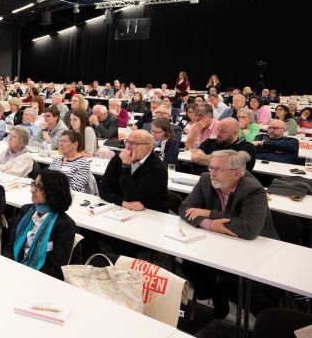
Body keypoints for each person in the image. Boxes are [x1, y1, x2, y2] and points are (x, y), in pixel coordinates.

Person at [179, 150, 279, 319]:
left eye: (218, 169)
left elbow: (248, 229)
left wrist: (209, 213)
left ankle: (265, 323)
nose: (212, 173)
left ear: (237, 173)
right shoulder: (206, 180)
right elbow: (185, 208)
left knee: (244, 288)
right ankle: (218, 295)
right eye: (211, 167)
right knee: (190, 264)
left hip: (256, 250)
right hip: (219, 242)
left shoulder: (253, 190)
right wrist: (210, 225)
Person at [3, 169, 76, 280]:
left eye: (39, 187)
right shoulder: (26, 210)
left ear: (53, 192)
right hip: (13, 269)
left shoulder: (65, 225)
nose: (32, 190)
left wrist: (25, 276)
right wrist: (10, 268)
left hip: (39, 278)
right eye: (33, 184)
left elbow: (55, 269)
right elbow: (9, 247)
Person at [100, 130, 168, 212]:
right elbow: (104, 190)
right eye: (127, 142)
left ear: (149, 148)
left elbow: (131, 197)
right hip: (122, 210)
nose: (128, 147)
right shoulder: (118, 159)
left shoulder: (158, 169)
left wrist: (126, 166)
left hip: (150, 215)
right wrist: (123, 202)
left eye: (134, 144)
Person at [191, 117, 256, 173]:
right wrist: (219, 163)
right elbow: (195, 156)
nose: (218, 134)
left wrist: (204, 158)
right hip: (201, 181)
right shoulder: (210, 142)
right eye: (218, 130)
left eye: (223, 131)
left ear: (235, 133)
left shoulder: (247, 147)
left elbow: (233, 161)